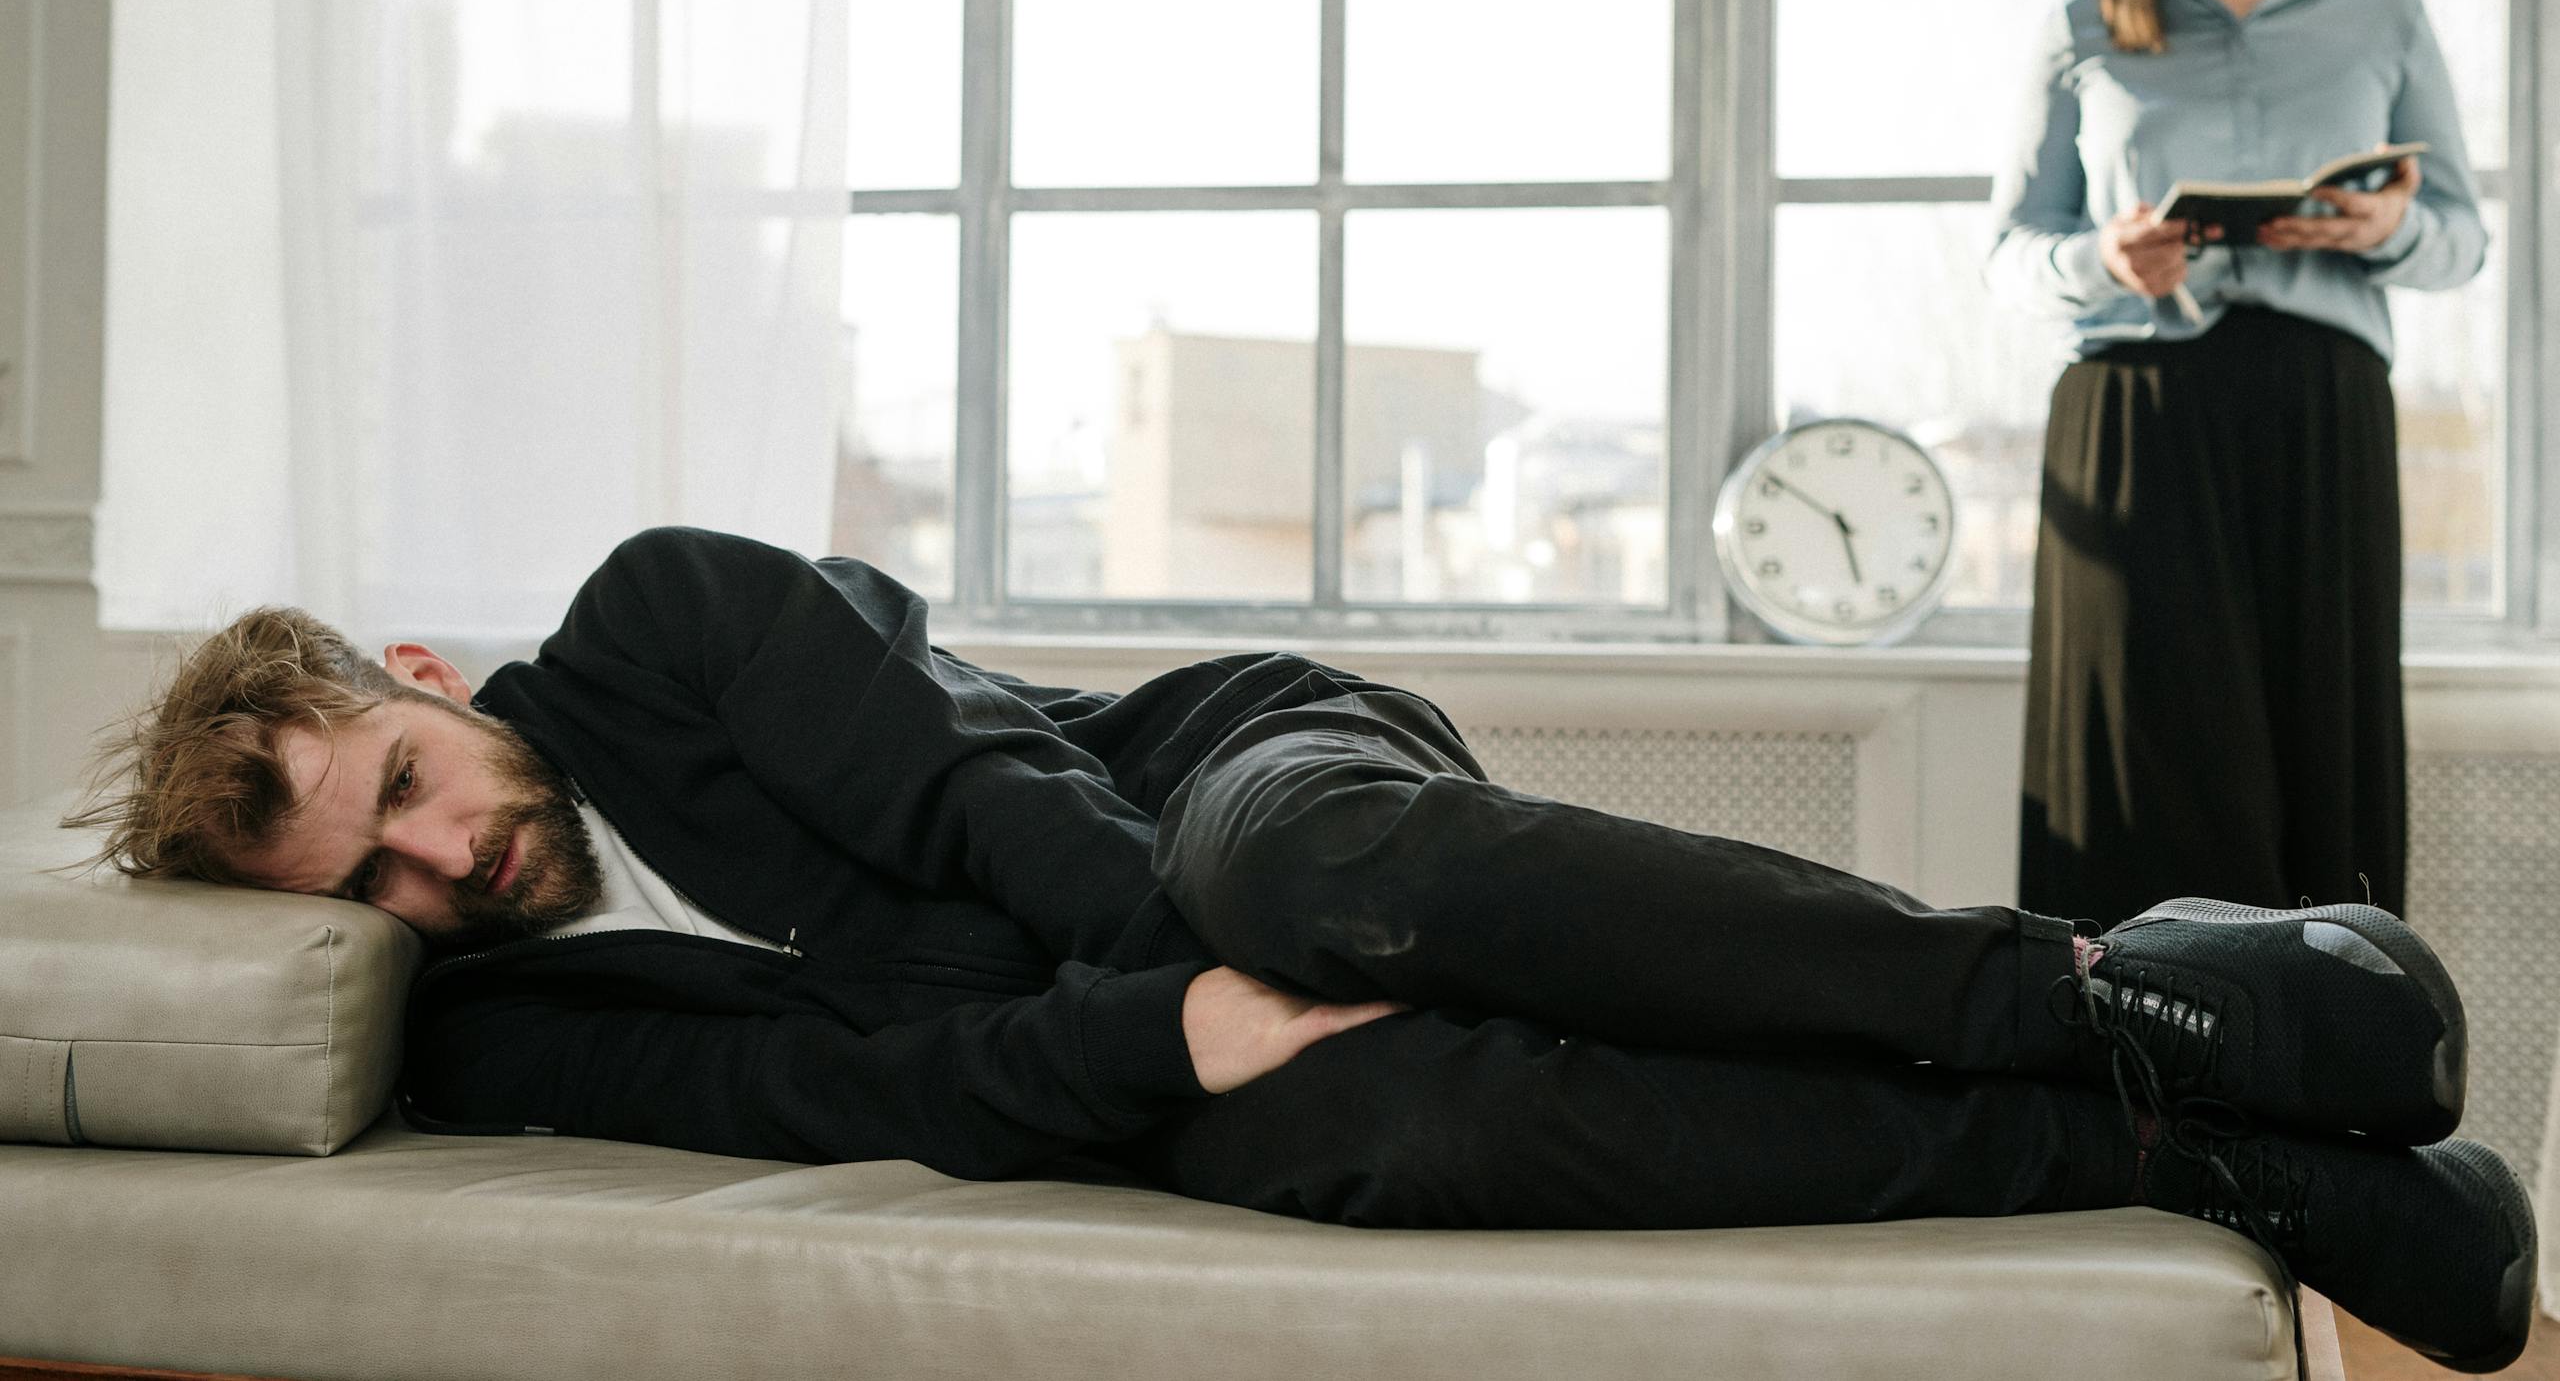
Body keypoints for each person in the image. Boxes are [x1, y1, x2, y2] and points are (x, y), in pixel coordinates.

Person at [74, 527, 2531, 1370]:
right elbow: (850, 1099)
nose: (435, 868)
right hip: (1150, 1012)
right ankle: (2191, 1143)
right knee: (1396, 1118)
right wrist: (1184, 1040)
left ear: (414, 678)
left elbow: (978, 781)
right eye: (364, 888)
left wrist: (1192, 969)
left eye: (404, 791)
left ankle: (2102, 980)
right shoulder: (526, 1017)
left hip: (1214, 776)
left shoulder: (653, 616)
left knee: (1297, 893)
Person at [1988, 0, 2488, 932]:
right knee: (2142, 788)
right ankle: (2121, 1114)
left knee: (2320, 772)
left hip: (2321, 419)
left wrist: (2385, 233)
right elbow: (2010, 254)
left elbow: (2462, 240)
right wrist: (2109, 254)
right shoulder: (2083, 29)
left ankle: (2313, 1108)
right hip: (2134, 419)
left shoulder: (2385, 18)